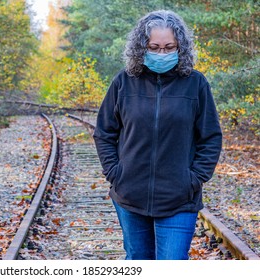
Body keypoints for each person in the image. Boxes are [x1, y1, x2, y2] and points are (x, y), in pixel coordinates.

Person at [93, 10, 222, 260]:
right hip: (130, 195)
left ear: (180, 47)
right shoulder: (123, 82)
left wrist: (194, 179)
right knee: (138, 262)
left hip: (179, 198)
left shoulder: (196, 84)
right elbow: (104, 133)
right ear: (141, 47)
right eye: (154, 47)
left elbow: (211, 137)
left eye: (169, 47)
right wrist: (116, 173)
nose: (161, 53)